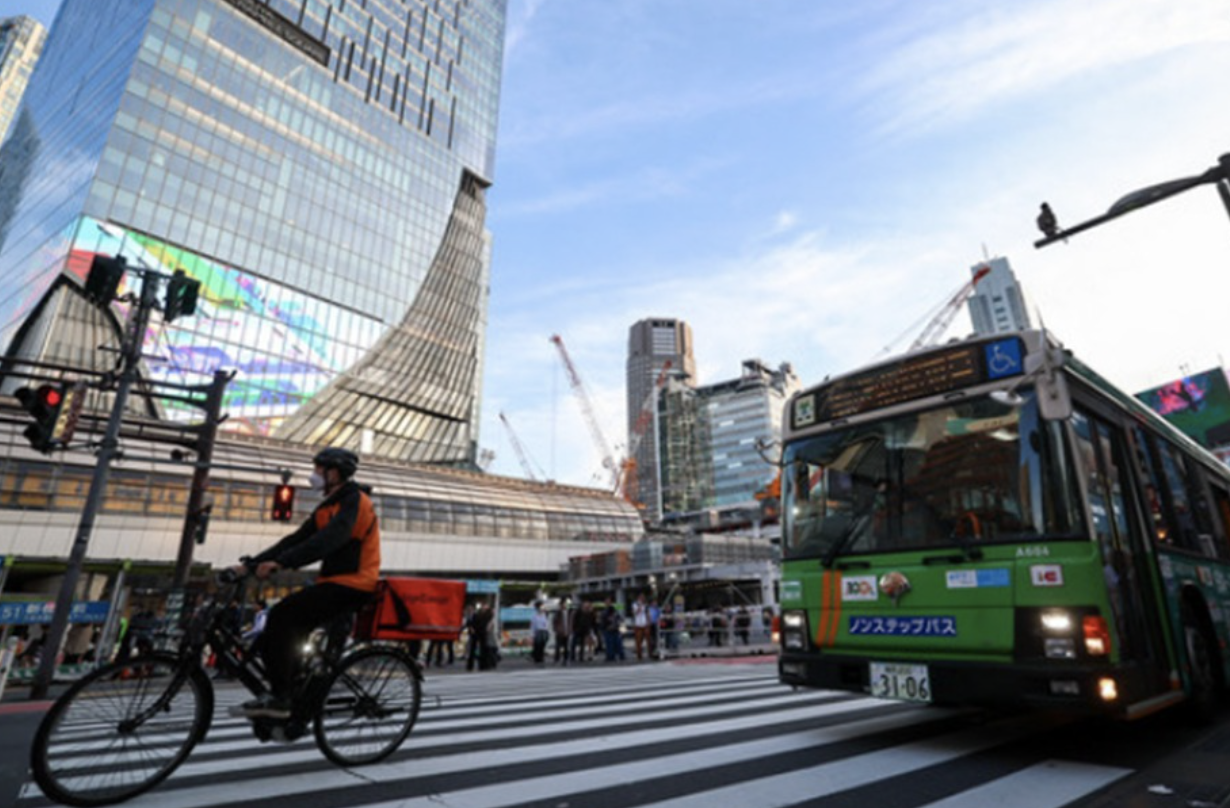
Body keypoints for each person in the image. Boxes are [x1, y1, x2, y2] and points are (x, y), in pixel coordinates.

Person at [230, 447, 381, 719]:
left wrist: (282, 563)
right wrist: (251, 564)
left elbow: (328, 540)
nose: (314, 474)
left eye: (319, 469)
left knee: (281, 616)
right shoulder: (328, 506)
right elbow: (296, 540)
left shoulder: (355, 502)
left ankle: (282, 697)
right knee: (286, 627)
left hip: (354, 584)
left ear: (335, 473)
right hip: (334, 582)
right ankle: (297, 689)